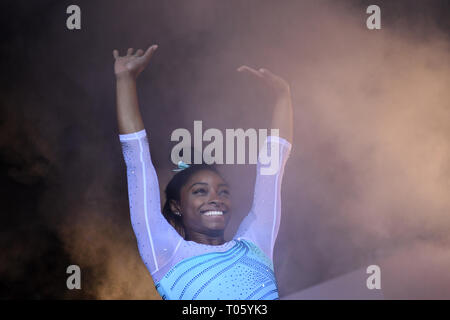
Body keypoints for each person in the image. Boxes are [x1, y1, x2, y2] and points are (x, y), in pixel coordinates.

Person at [114, 44, 293, 300]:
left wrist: (284, 97)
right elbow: (137, 162)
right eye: (200, 191)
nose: (216, 198)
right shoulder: (165, 253)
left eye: (223, 191)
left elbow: (273, 166)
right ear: (176, 206)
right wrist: (125, 80)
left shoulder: (257, 243)